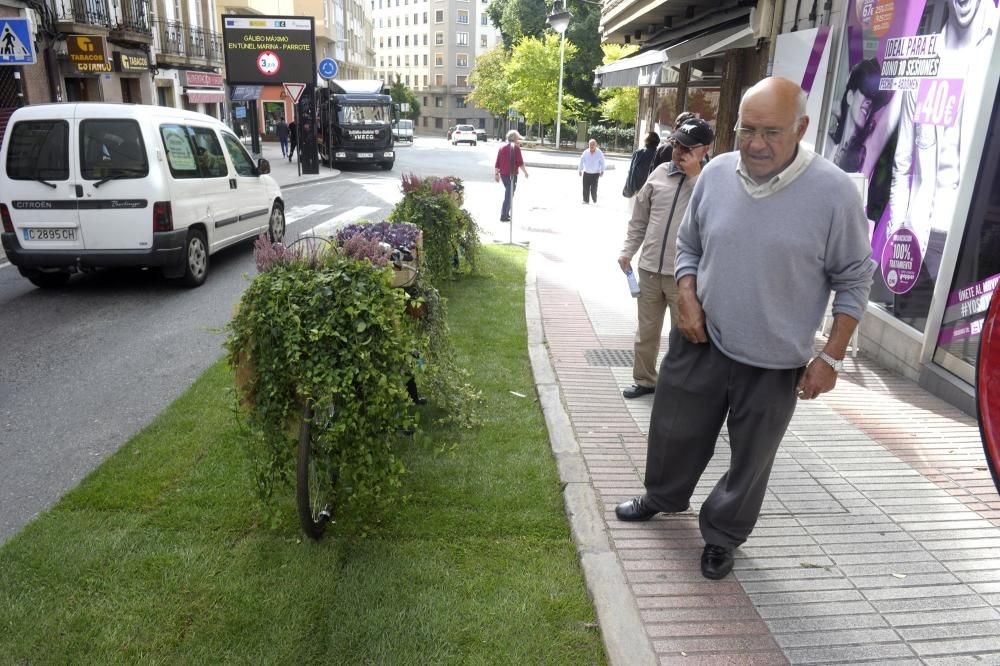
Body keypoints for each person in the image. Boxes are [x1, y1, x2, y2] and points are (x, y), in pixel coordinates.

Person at [614, 77, 875, 581]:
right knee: (672, 430)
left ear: (800, 128)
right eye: (746, 130)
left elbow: (854, 278)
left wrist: (831, 357)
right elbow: (688, 246)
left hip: (775, 360)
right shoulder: (713, 174)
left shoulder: (834, 192)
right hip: (700, 339)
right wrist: (687, 300)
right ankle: (662, 497)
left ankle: (722, 536)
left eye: (771, 132)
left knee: (750, 459)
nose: (755, 143)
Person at [888, 0, 997, 283]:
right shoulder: (926, 59)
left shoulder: (994, 48)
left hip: (976, 238)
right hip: (920, 236)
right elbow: (903, 165)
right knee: (915, 320)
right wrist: (897, 236)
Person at [618, 119, 714, 400]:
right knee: (646, 332)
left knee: (683, 337)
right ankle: (645, 380)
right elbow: (639, 220)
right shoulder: (660, 173)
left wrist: (696, 176)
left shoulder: (710, 181)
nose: (679, 151)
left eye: (687, 147)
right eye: (676, 144)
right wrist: (628, 250)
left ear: (704, 149)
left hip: (684, 277)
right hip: (648, 269)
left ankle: (678, 387)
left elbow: (712, 222)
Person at [826, 58, 891, 174]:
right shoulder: (827, 145)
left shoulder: (867, 150)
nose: (869, 101)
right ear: (850, 97)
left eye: (873, 99)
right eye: (866, 92)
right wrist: (837, 109)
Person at [494, 130, 529, 222]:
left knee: (510, 194)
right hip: (512, 175)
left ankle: (506, 213)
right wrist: (525, 172)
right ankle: (503, 215)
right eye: (517, 138)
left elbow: (497, 163)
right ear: (514, 138)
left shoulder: (502, 147)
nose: (518, 140)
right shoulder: (516, 149)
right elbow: (520, 163)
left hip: (503, 175)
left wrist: (496, 174)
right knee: (509, 195)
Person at [623, 132, 660, 198]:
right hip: (651, 190)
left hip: (636, 189)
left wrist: (630, 188)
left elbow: (632, 171)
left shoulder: (639, 153)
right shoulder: (658, 154)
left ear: (646, 140)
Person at [578, 139, 605, 204]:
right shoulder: (585, 152)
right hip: (586, 172)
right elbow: (581, 161)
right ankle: (585, 200)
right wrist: (580, 170)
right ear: (588, 145)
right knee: (585, 187)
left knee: (593, 188)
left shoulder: (599, 153)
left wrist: (602, 171)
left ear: (596, 145)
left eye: (593, 144)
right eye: (590, 144)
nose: (592, 146)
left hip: (595, 174)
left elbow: (602, 162)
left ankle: (594, 199)